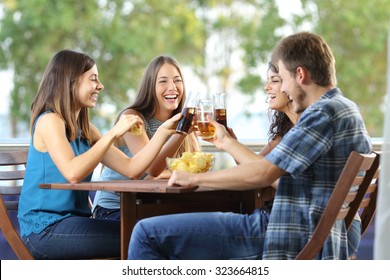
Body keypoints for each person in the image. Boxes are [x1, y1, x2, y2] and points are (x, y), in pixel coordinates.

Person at [127, 32, 372, 260]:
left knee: (145, 234)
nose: (282, 88)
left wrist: (193, 179)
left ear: (301, 75)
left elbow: (265, 172)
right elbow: (272, 171)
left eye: (281, 79)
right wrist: (226, 142)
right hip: (310, 228)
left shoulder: (323, 114)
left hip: (286, 232)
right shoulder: (344, 108)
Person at [17, 50, 181, 260]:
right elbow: (73, 172)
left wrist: (165, 131)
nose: (100, 86)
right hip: (46, 230)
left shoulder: (87, 129)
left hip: (76, 223)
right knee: (149, 237)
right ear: (70, 81)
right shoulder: (50, 121)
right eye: (93, 79)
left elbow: (132, 169)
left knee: (156, 232)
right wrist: (113, 133)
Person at [92, 55, 200, 220]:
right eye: (163, 81)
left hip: (152, 204)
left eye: (177, 80)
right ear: (150, 86)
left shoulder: (184, 120)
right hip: (114, 209)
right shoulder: (132, 119)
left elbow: (188, 170)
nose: (172, 87)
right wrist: (181, 132)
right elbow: (151, 171)